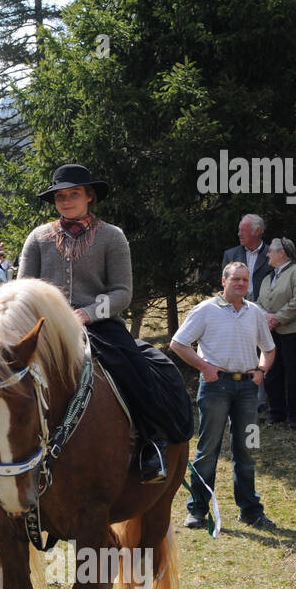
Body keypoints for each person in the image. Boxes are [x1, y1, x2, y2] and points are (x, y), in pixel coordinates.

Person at [20, 163, 192, 483]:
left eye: (73, 194)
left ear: (90, 197)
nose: (66, 201)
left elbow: (122, 292)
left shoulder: (112, 237)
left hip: (99, 325)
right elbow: (22, 288)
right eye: (59, 196)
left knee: (134, 369)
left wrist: (85, 313)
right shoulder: (38, 238)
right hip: (46, 327)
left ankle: (150, 444)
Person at [171, 262, 278, 529]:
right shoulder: (206, 310)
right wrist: (204, 366)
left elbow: (269, 347)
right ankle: (197, 510)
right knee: (208, 450)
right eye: (236, 280)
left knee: (247, 449)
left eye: (245, 280)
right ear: (224, 281)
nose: (241, 284)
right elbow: (177, 343)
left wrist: (262, 370)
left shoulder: (255, 312)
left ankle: (250, 510)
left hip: (247, 390)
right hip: (216, 387)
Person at [256, 237, 296, 429]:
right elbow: (258, 302)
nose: (267, 254)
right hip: (271, 332)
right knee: (272, 373)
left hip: (295, 332)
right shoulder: (267, 278)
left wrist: (277, 318)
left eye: (271, 251)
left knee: (295, 374)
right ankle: (277, 415)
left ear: (282, 253)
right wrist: (265, 316)